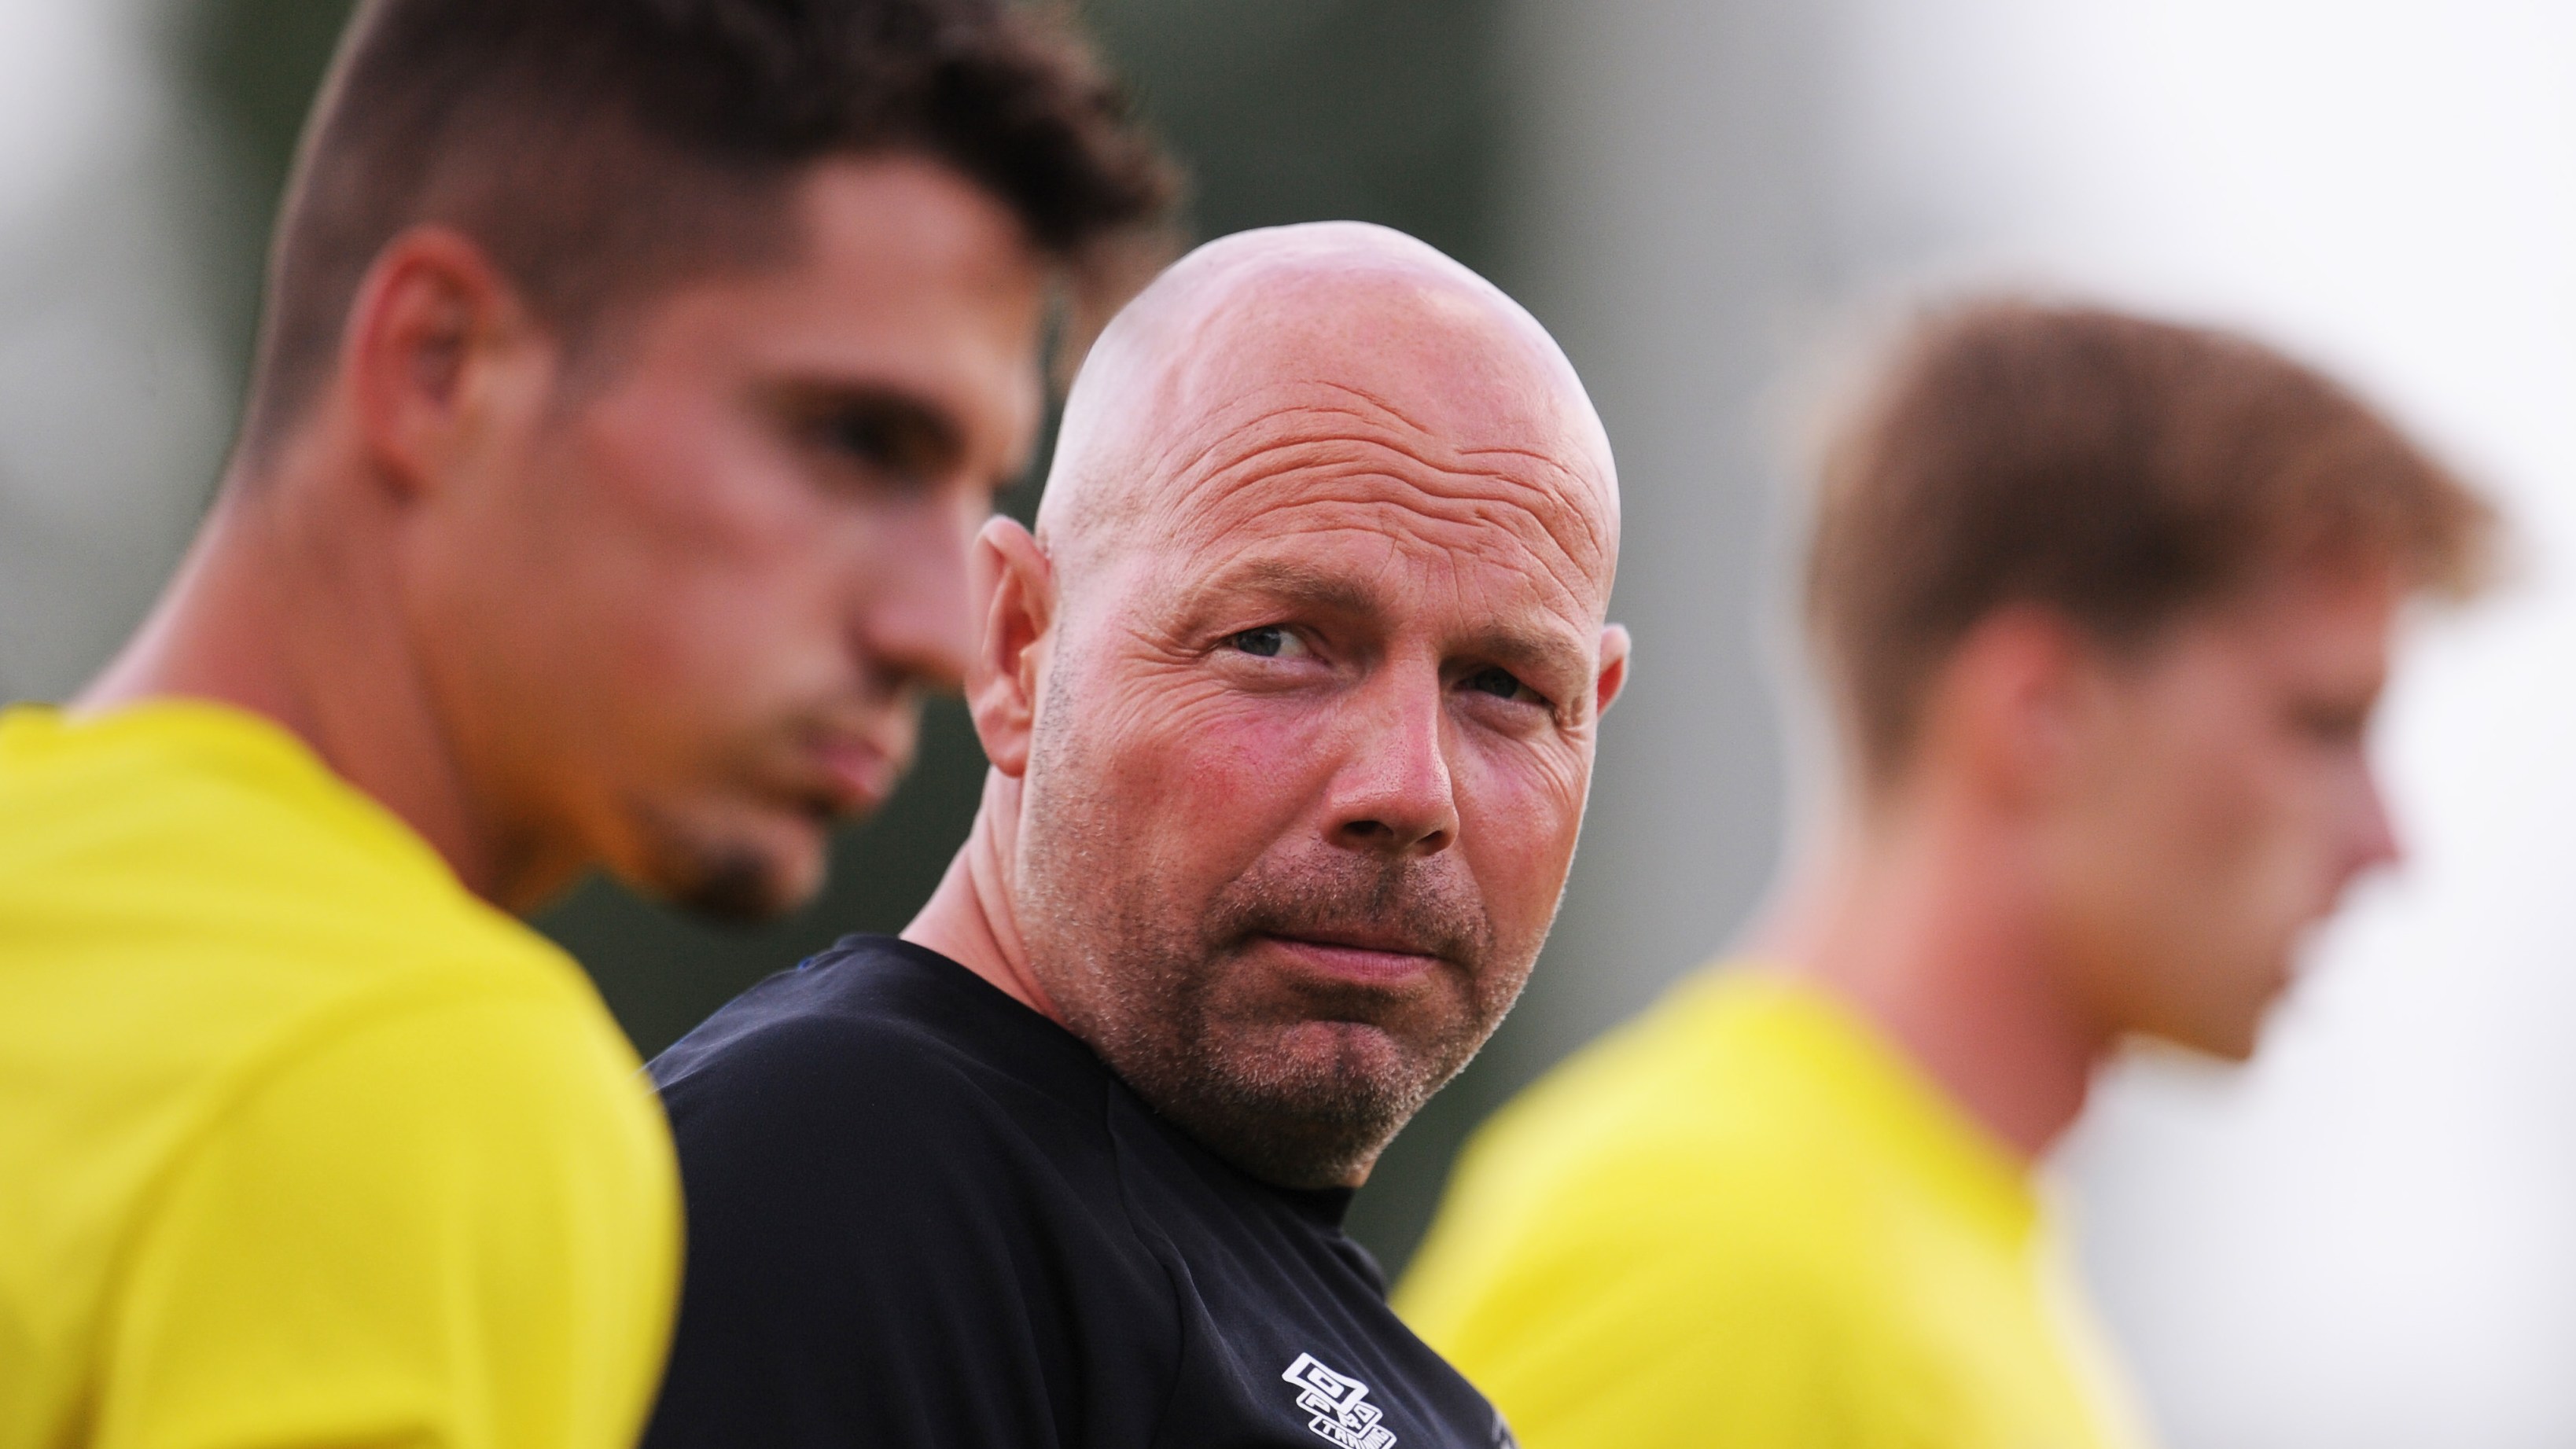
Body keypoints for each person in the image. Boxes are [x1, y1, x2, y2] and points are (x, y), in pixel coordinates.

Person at [0, 2, 1168, 1445]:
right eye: (854, 441)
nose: (939, 630)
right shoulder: (408, 1071)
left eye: (977, 483)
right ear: (439, 365)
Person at [1394, 300, 2494, 1449]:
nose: (2386, 843)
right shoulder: (1715, 1249)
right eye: (2318, 726)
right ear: (2044, 713)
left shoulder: (1937, 1253)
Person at [640, 220, 1631, 1449]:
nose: (1410, 787)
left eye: (1503, 687)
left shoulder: (1202, 1285)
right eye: (1275, 643)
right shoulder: (843, 1168)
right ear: (1016, 650)